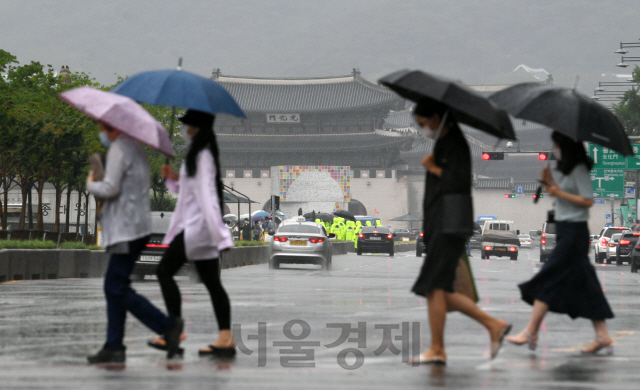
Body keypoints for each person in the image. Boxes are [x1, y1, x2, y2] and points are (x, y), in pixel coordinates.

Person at [410, 98, 510, 364]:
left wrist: (432, 167)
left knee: (433, 286)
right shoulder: (444, 142)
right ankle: (492, 325)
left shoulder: (455, 143)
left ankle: (438, 348)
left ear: (434, 118)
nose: (422, 129)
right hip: (441, 224)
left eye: (422, 123)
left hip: (449, 224)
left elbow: (459, 180)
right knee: (440, 290)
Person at [506, 132, 614, 354]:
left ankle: (530, 332)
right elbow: (564, 196)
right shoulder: (568, 171)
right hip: (566, 231)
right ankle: (602, 336)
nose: (555, 150)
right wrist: (550, 184)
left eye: (556, 145)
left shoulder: (579, 170)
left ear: (565, 147)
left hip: (574, 234)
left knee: (548, 278)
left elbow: (587, 200)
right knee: (587, 285)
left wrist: (556, 191)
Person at [86, 121, 183, 364]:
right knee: (116, 287)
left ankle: (167, 325)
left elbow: (110, 188)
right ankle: (114, 345)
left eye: (102, 128)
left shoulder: (120, 149)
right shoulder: (135, 149)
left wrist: (90, 183)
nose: (101, 133)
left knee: (115, 287)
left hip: (125, 230)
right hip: (136, 228)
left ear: (114, 128)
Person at [148, 109, 236, 358]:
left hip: (198, 229)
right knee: (212, 284)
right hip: (196, 228)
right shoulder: (198, 154)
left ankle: (174, 330)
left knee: (164, 271)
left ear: (196, 128)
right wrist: (172, 179)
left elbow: (208, 197)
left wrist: (221, 235)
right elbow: (189, 191)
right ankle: (224, 337)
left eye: (187, 125)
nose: (183, 130)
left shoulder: (203, 156)